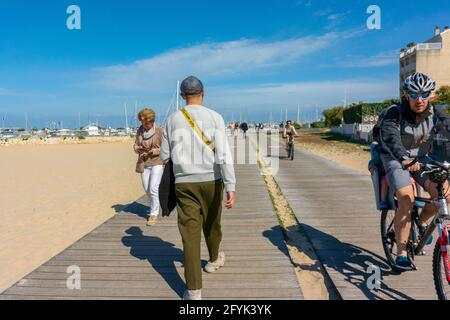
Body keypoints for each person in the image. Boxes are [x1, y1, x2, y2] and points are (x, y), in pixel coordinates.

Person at [160, 76, 236, 300]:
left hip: (184, 183)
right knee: (213, 224)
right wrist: (231, 185)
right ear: (203, 93)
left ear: (183, 96)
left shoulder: (173, 119)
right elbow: (223, 154)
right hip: (212, 180)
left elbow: (165, 155)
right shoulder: (215, 117)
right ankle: (213, 261)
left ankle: (193, 291)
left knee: (190, 235)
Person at [380, 72, 450, 271]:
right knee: (406, 197)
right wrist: (403, 158)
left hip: (422, 159)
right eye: (414, 94)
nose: (420, 99)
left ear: (431, 95)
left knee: (444, 195)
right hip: (396, 159)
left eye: (425, 94)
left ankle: (417, 222)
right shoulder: (395, 112)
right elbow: (390, 136)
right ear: (406, 94)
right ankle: (402, 252)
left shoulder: (436, 112)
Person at [134, 108, 164, 226]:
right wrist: (137, 148)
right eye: (141, 122)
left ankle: (154, 214)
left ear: (151, 121)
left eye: (146, 123)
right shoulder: (139, 131)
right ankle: (153, 206)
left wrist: (153, 151)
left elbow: (166, 149)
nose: (143, 125)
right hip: (144, 163)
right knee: (147, 189)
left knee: (153, 188)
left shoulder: (160, 131)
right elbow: (136, 144)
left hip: (157, 162)